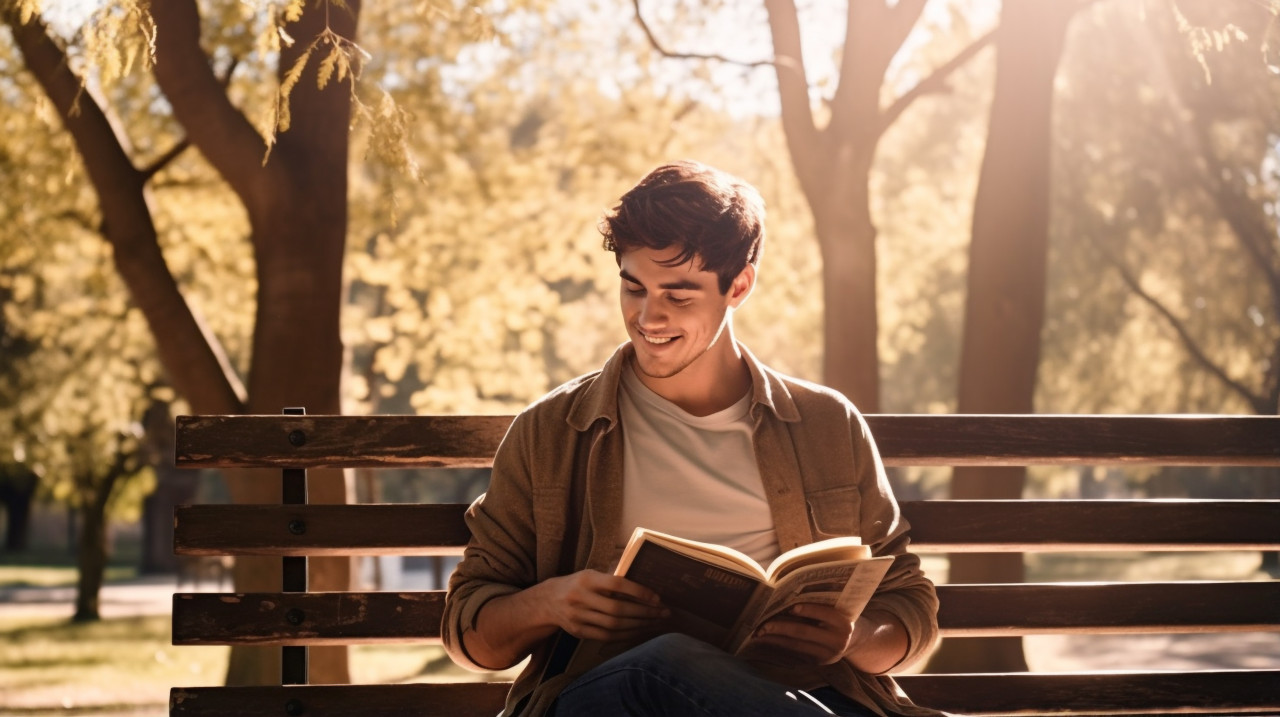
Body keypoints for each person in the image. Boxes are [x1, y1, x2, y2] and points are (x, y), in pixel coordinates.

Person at [442, 160, 940, 717]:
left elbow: (909, 608)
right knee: (666, 662)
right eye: (633, 288)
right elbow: (471, 631)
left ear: (740, 286)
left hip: (797, 696)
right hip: (615, 696)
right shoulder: (552, 432)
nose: (648, 317)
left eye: (678, 296)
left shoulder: (825, 424)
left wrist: (852, 637)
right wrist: (552, 604)